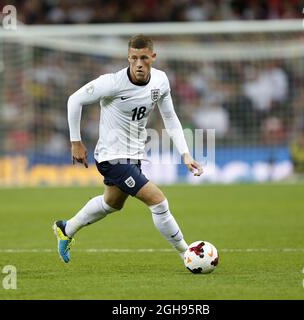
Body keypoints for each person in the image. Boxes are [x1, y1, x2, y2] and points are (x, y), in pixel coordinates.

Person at [53, 34, 203, 263]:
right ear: (128, 57)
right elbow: (74, 100)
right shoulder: (111, 82)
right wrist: (76, 142)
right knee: (159, 201)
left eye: (144, 58)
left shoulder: (161, 81)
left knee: (112, 203)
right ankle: (187, 254)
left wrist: (185, 153)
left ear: (153, 57)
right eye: (134, 58)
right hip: (111, 157)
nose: (139, 63)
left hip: (134, 155)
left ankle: (67, 228)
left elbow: (170, 117)